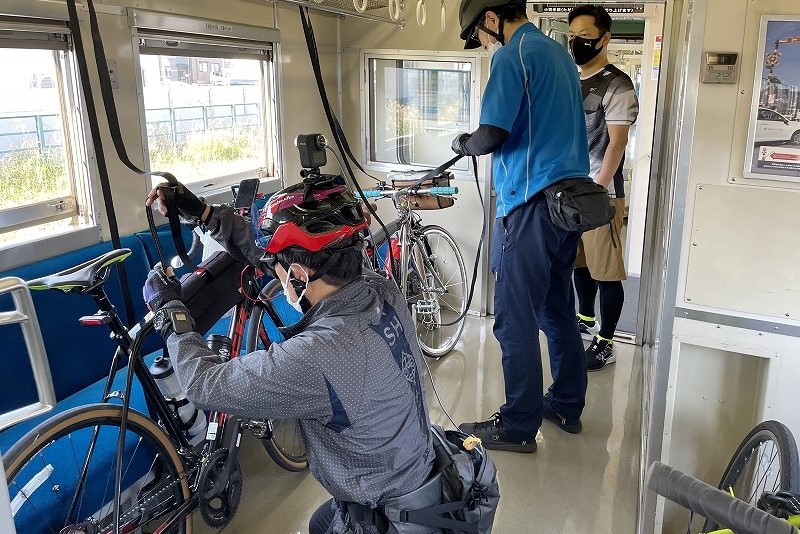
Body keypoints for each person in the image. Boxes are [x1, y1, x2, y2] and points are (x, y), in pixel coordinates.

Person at [143, 178, 437, 534]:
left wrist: (170, 311)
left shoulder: (318, 355)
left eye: (280, 267)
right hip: (420, 476)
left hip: (387, 516)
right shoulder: (379, 288)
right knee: (319, 522)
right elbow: (278, 257)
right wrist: (203, 213)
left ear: (297, 275)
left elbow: (205, 385)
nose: (273, 270)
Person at [452, 0, 591, 452]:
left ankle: (517, 425)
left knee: (514, 320)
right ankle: (567, 403)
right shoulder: (559, 55)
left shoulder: (513, 55)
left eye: (481, 33)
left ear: (492, 18)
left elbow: (493, 133)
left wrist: (463, 143)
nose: (484, 42)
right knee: (556, 308)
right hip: (568, 202)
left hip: (531, 206)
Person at [568, 5, 639, 371]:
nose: (577, 42)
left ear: (604, 38)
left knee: (606, 272)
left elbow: (616, 144)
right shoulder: (570, 79)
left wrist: (595, 192)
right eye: (572, 35)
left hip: (601, 193)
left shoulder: (618, 84)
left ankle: (607, 341)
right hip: (570, 192)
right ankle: (584, 319)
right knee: (581, 263)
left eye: (584, 36)